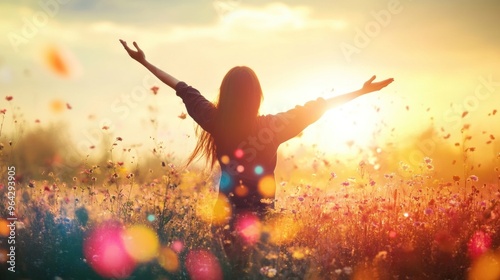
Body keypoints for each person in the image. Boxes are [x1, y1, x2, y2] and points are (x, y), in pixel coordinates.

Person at [120, 39, 394, 278]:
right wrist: (361, 91)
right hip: (263, 214)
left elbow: (183, 88)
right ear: (257, 96)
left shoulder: (216, 121)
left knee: (235, 270)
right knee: (258, 269)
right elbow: (317, 107)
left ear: (225, 94)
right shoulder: (273, 126)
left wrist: (145, 62)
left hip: (226, 213)